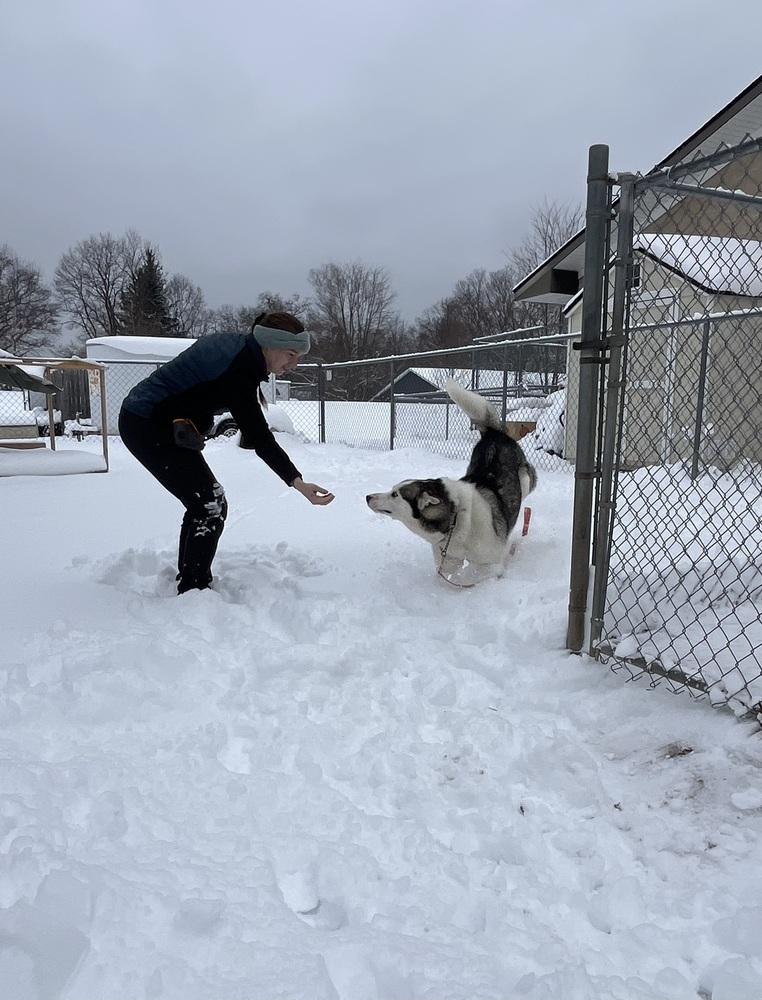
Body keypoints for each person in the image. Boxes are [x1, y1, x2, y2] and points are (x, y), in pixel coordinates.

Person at [118, 311, 334, 594]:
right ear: (269, 345)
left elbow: (195, 390)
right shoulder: (240, 368)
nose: (293, 364)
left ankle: (191, 579)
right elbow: (259, 436)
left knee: (206, 503)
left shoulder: (242, 352)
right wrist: (296, 481)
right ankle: (194, 587)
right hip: (145, 423)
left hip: (155, 422)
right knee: (208, 504)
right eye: (290, 355)